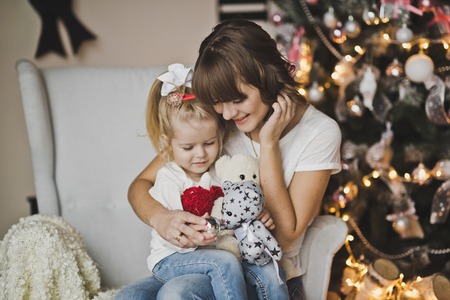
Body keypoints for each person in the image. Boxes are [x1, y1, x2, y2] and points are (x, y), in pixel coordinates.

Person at [120, 19, 341, 300]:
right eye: (218, 102)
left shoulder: (319, 132)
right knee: (131, 296)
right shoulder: (222, 119)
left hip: (265, 273)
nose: (226, 114)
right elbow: (140, 184)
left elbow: (285, 236)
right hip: (208, 262)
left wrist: (270, 144)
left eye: (237, 99)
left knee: (177, 293)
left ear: (268, 76)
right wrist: (161, 218)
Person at [117, 63, 289, 300]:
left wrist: (257, 215)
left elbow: (237, 209)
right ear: (168, 143)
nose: (200, 154)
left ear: (219, 134)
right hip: (174, 258)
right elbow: (176, 234)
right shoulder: (169, 177)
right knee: (223, 262)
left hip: (214, 257)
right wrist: (196, 234)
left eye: (209, 143)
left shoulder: (221, 171)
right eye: (188, 147)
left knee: (250, 265)